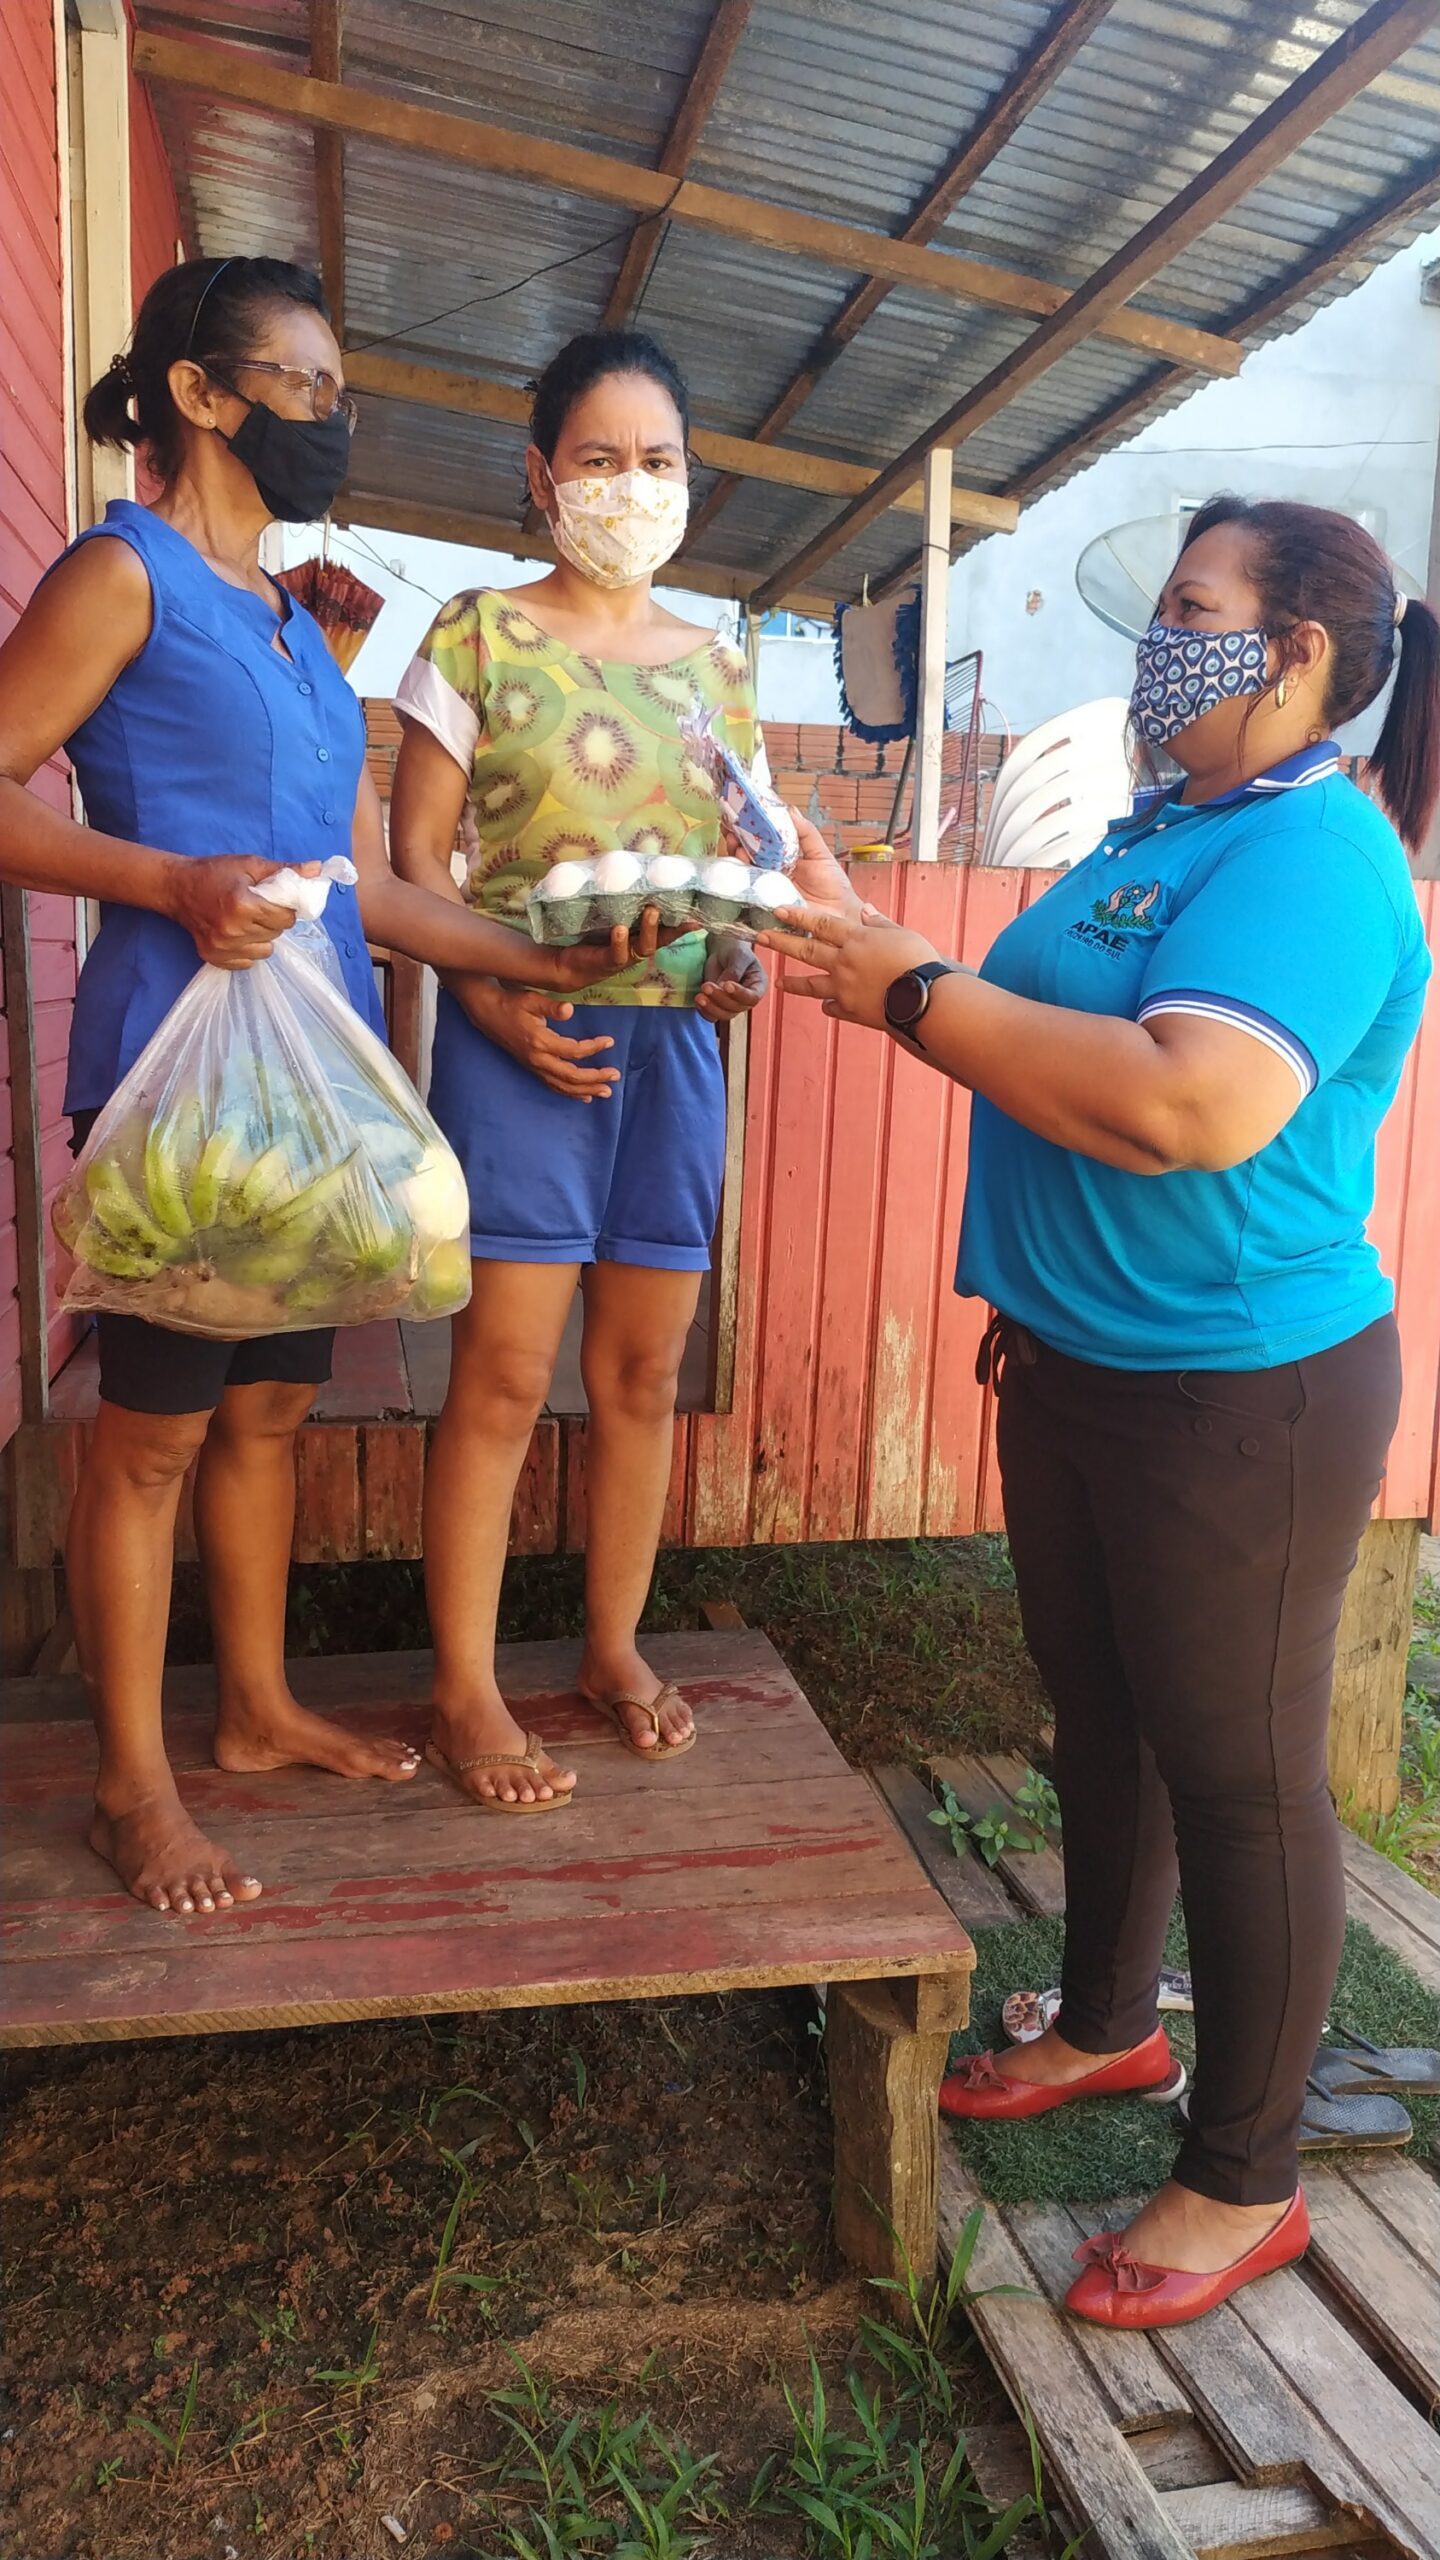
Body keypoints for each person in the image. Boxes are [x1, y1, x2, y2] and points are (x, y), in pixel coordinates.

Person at [755, 498, 1435, 2331]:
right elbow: (1031, 1016)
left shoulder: (1315, 856)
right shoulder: (1166, 830)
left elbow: (1183, 1104)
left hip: (1238, 1395)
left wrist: (908, 990)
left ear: (1295, 652)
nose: (1156, 645)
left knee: (1241, 1771)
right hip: (1071, 1363)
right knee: (1101, 1714)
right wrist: (866, 937)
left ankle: (1245, 2178)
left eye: (1194, 610)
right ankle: (1113, 2026)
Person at [0, 255, 635, 1917]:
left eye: (340, 393)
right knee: (149, 1439)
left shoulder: (297, 626)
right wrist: (167, 883)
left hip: (317, 1087)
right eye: (306, 387)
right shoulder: (122, 573)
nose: (334, 420)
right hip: (178, 1081)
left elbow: (372, 888)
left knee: (272, 1412)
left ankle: (257, 1708)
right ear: (201, 395)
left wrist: (540, 953)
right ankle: (130, 1787)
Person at [390, 327, 843, 1810]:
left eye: (657, 460)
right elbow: (414, 863)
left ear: (690, 483)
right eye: (599, 457)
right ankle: (465, 1686)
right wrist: (488, 998)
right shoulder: (474, 634)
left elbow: (744, 866)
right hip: (526, 1040)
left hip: (675, 1052)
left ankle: (609, 1646)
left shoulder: (719, 668)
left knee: (643, 1372)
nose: (629, 485)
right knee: (505, 1374)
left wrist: (741, 963)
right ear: (542, 476)